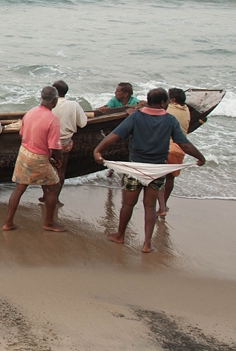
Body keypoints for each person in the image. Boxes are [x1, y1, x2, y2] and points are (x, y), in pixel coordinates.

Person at [92, 88, 205, 253]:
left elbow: (116, 135)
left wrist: (98, 150)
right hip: (156, 169)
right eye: (166, 102)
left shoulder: (136, 117)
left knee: (128, 204)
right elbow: (184, 143)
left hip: (135, 167)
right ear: (162, 103)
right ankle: (147, 244)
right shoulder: (170, 120)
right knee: (150, 206)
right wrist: (200, 157)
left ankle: (120, 235)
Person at [2, 86, 65, 232]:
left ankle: (8, 222)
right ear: (54, 100)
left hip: (24, 153)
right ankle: (48, 222)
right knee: (54, 187)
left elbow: (22, 134)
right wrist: (59, 158)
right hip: (39, 157)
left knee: (19, 188)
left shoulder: (30, 112)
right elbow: (55, 146)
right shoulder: (52, 119)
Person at [46, 80, 88, 205]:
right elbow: (83, 123)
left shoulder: (47, 105)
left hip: (47, 142)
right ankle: (55, 198)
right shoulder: (73, 105)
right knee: (61, 170)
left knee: (47, 170)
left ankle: (45, 196)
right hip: (63, 142)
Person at [160, 87, 192, 217]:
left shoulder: (168, 109)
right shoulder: (186, 110)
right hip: (179, 149)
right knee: (170, 178)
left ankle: (161, 207)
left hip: (166, 147)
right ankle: (164, 204)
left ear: (172, 100)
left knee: (157, 178)